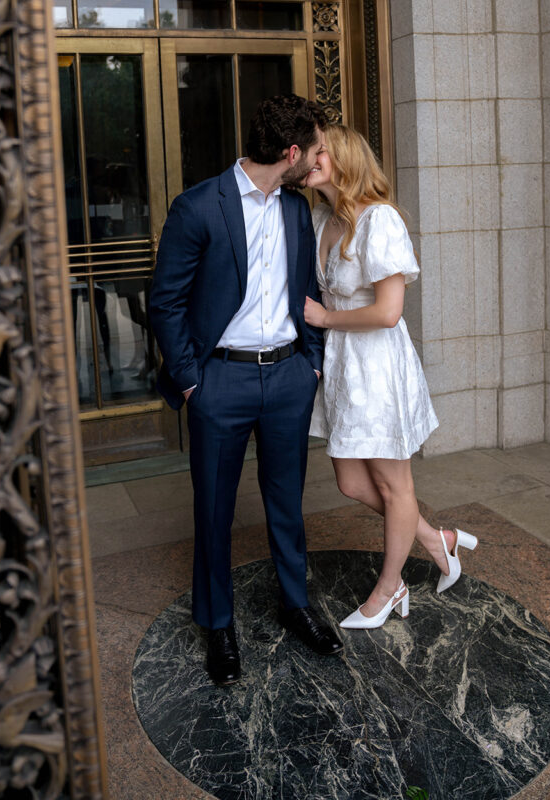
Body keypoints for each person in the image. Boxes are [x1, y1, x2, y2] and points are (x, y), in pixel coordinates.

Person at [150, 94, 343, 685]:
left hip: (287, 377)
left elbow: (306, 286)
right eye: (311, 151)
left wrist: (308, 365)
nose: (315, 162)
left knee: (287, 502)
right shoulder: (198, 206)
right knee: (214, 509)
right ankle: (218, 624)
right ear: (289, 153)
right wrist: (191, 383)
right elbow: (166, 301)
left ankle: (295, 604)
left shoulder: (293, 210)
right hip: (220, 382)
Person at [304, 124, 478, 629]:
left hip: (377, 364)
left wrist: (325, 319)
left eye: (321, 152)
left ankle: (389, 587)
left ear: (346, 160)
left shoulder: (379, 220)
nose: (312, 160)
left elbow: (387, 312)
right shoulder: (322, 219)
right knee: (352, 481)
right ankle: (434, 540)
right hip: (343, 366)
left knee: (394, 483)